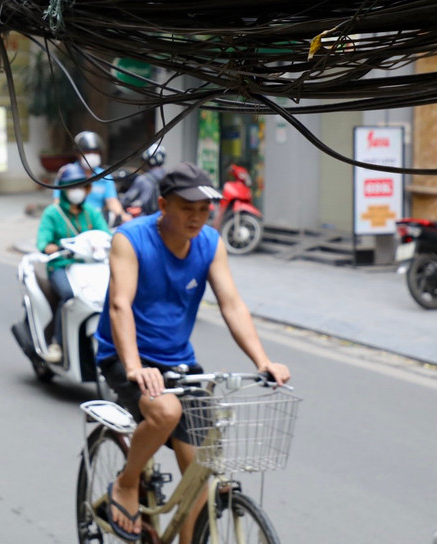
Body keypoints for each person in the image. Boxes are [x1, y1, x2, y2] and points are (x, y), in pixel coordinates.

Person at [95, 162, 289, 542]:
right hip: (126, 353)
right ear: (164, 205)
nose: (198, 218)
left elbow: (232, 304)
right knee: (166, 410)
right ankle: (127, 482)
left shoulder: (210, 243)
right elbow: (120, 305)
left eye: (205, 210)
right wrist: (134, 367)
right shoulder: (130, 240)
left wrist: (262, 360)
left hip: (179, 361)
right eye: (188, 209)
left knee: (199, 475)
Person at [36, 163, 110, 363]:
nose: (76, 191)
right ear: (63, 189)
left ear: (86, 189)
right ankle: (57, 343)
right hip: (61, 266)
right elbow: (42, 241)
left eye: (80, 186)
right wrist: (50, 247)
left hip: (89, 267)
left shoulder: (92, 213)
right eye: (71, 187)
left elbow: (106, 235)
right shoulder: (53, 213)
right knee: (69, 296)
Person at [69, 130, 130, 225]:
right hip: (73, 220)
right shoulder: (67, 174)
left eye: (95, 151)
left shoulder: (104, 176)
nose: (92, 155)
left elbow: (112, 201)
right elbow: (58, 202)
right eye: (87, 151)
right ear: (78, 153)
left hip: (97, 222)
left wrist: (123, 216)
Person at [120, 144, 167, 218]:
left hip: (145, 220)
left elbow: (126, 200)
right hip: (164, 219)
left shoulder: (143, 179)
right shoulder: (168, 177)